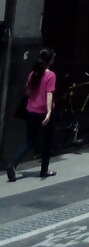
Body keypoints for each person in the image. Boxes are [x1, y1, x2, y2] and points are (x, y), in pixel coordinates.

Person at [6, 49, 56, 182]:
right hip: (43, 112)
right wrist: (49, 111)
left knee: (29, 140)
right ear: (50, 60)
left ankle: (12, 163)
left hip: (30, 111)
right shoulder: (50, 75)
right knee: (47, 141)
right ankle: (44, 170)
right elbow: (49, 93)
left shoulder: (33, 74)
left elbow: (28, 92)